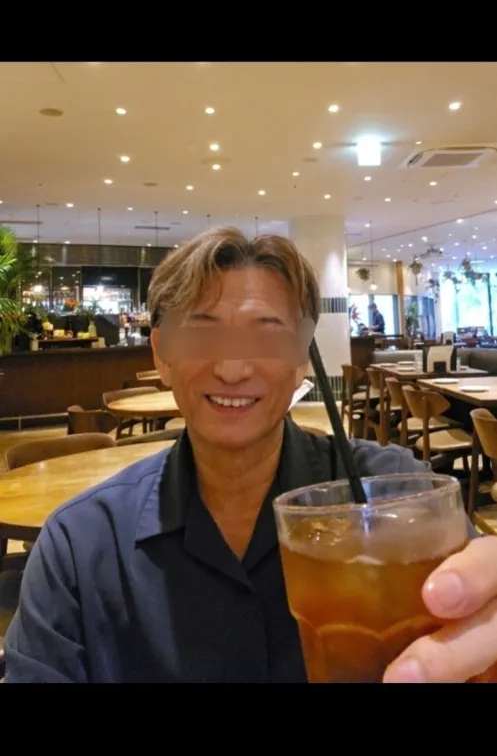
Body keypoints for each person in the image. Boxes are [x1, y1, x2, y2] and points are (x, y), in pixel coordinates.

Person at [4, 228, 497, 683]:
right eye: (203, 333)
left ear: (302, 356)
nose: (233, 368)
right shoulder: (81, 546)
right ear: (161, 354)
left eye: (265, 334)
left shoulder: (400, 496)